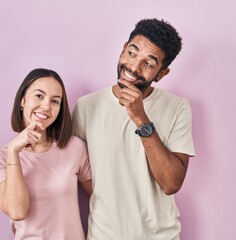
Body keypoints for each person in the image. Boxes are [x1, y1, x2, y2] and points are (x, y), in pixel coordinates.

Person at [72, 18, 195, 239]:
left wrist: (140, 118)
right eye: (131, 53)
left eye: (148, 63)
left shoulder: (178, 108)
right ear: (123, 49)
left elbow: (171, 183)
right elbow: (78, 172)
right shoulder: (86, 107)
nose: (133, 67)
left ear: (161, 73)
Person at [0, 68, 92, 240]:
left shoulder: (74, 148)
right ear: (22, 100)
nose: (46, 106)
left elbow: (100, 199)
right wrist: (14, 152)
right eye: (39, 96)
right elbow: (17, 211)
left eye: (55, 101)